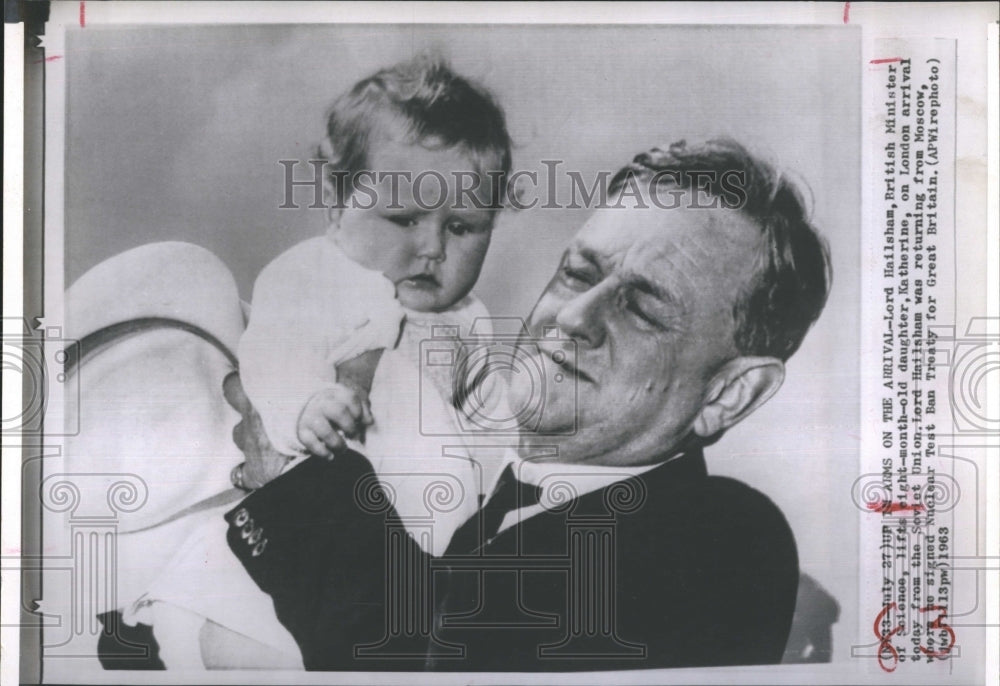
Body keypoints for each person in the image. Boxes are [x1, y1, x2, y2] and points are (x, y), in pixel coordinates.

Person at [222, 137, 833, 671]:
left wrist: (287, 464)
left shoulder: (725, 544)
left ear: (730, 394)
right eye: (577, 272)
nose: (571, 316)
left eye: (643, 309)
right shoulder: (465, 445)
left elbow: (420, 661)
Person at [102, 55, 516, 668]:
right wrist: (306, 404)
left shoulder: (469, 321)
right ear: (338, 198)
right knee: (241, 639)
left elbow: (491, 420)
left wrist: (508, 474)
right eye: (404, 219)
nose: (431, 248)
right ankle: (156, 641)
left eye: (463, 227)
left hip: (407, 554)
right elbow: (272, 354)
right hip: (293, 537)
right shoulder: (316, 278)